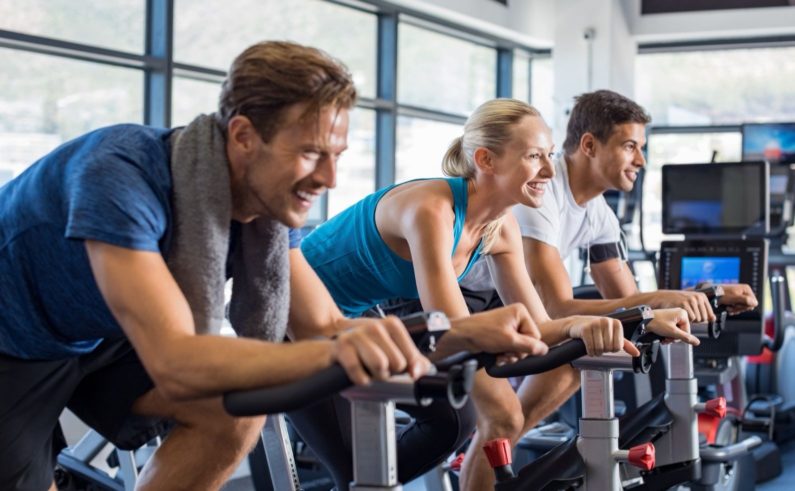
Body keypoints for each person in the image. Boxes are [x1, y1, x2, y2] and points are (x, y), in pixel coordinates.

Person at [0, 42, 548, 491]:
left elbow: (326, 327)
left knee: (234, 413)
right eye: (311, 153)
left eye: (337, 154)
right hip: (14, 341)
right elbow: (176, 361)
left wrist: (461, 333)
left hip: (100, 336)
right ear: (242, 136)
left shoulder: (264, 209)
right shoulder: (118, 176)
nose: (330, 179)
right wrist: (343, 349)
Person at [297, 98, 697, 490]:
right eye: (534, 156)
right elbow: (455, 330)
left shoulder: (500, 226)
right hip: (297, 312)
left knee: (455, 423)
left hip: (357, 317)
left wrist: (631, 319)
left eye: (550, 155)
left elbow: (540, 324)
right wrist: (558, 328)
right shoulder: (431, 209)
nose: (548, 170)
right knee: (357, 467)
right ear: (487, 160)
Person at [459, 89, 759, 470]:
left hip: (504, 307)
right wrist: (669, 300)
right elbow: (557, 308)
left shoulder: (600, 215)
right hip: (464, 307)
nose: (641, 159)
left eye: (641, 147)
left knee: (568, 371)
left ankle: (496, 450)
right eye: (630, 146)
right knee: (503, 420)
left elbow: (629, 300)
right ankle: (490, 447)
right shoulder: (541, 192)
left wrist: (704, 296)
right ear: (589, 145)